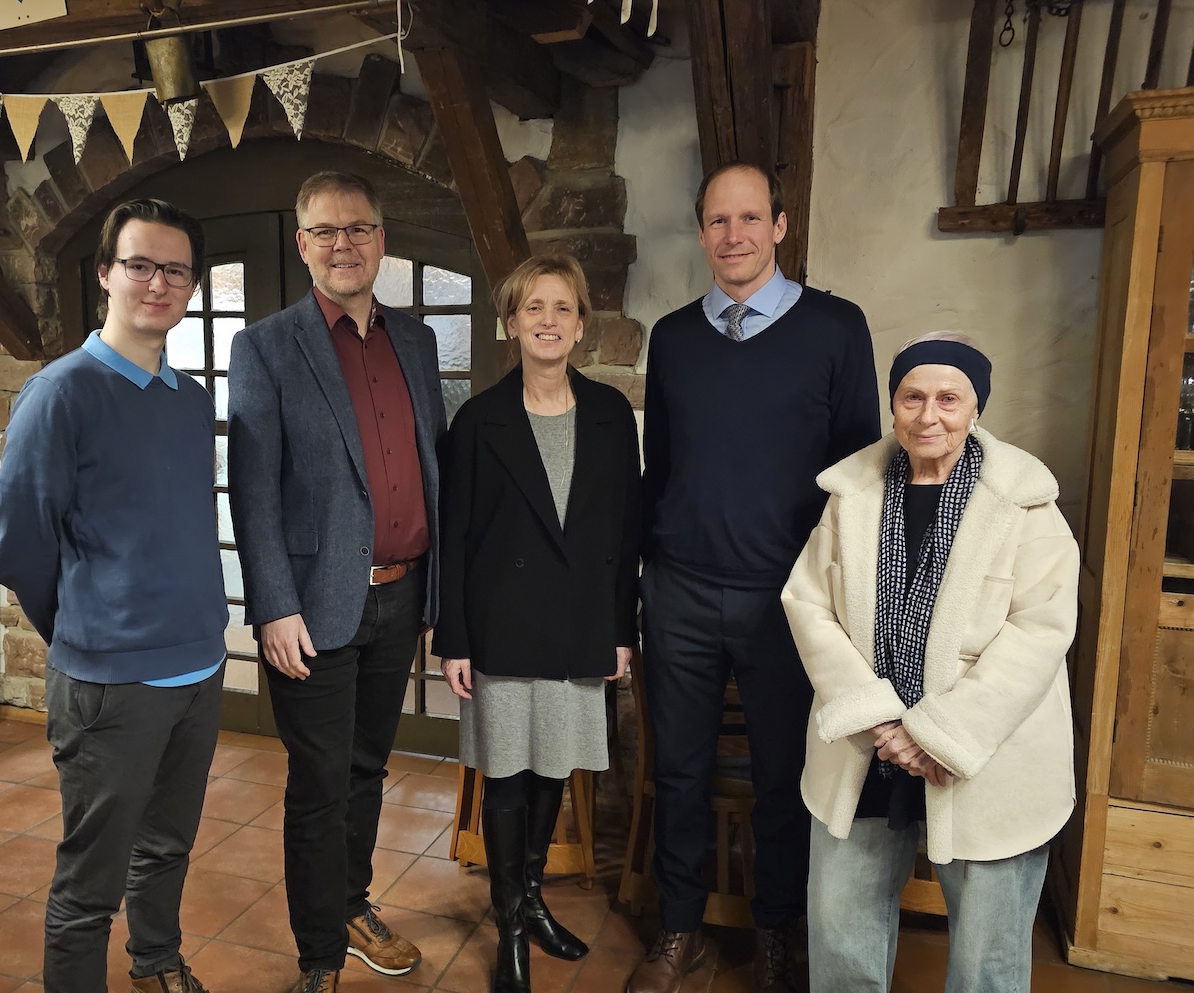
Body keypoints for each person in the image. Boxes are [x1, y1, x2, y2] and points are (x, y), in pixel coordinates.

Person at [631, 161, 880, 993]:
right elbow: (661, 466)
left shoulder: (837, 328)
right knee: (680, 769)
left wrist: (841, 601)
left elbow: (858, 476)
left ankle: (777, 933)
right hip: (680, 592)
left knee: (783, 775)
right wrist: (644, 579)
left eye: (749, 218)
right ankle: (679, 927)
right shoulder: (673, 338)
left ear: (779, 225)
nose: (732, 234)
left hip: (789, 598)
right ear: (702, 232)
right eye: (717, 220)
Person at [781, 333, 1078, 993]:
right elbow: (807, 603)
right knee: (841, 927)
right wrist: (881, 718)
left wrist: (938, 733)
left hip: (985, 752)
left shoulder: (1025, 503)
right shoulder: (851, 493)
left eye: (949, 398)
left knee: (988, 956)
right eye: (912, 397)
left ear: (976, 409)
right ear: (893, 404)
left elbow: (1040, 629)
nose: (928, 415)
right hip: (870, 744)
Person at [0, 198, 226, 993]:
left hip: (199, 666)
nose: (158, 283)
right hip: (109, 683)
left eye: (176, 270)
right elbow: (20, 551)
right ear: (104, 272)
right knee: (89, 884)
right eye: (140, 264)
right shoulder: (59, 394)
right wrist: (91, 629)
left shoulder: (191, 400)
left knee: (168, 845)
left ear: (191, 284)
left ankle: (157, 964)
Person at [227, 171, 445, 993]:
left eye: (357, 228)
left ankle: (352, 906)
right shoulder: (265, 347)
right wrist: (273, 606)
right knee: (319, 784)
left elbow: (433, 465)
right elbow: (252, 490)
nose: (343, 243)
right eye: (325, 230)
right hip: (311, 607)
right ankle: (319, 953)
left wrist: (437, 593)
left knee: (366, 768)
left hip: (401, 593)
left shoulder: (415, 340)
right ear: (302, 244)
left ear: (381, 239)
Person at [436, 255, 640, 993]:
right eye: (533, 308)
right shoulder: (478, 420)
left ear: (581, 325)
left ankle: (530, 898)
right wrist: (453, 638)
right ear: (510, 323)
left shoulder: (611, 415)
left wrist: (622, 630)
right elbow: (455, 538)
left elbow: (625, 530)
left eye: (562, 308)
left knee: (553, 766)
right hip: (500, 628)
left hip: (579, 624)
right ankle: (511, 929)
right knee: (507, 779)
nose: (548, 321)